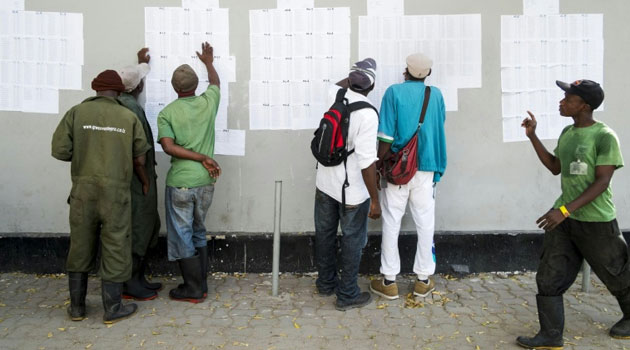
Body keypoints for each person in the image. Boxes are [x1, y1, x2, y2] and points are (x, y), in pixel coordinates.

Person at [517, 80, 630, 349]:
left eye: (568, 98)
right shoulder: (568, 132)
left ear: (585, 106)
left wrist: (564, 210)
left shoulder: (604, 136)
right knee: (549, 276)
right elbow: (556, 167)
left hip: (597, 222)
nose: (562, 102)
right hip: (566, 220)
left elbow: (602, 181)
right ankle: (550, 335)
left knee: (617, 274)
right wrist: (533, 136)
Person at [51, 70, 151, 324]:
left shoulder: (76, 113)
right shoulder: (128, 116)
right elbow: (140, 157)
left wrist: (86, 155)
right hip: (116, 193)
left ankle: (76, 308)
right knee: (116, 244)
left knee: (80, 245)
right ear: (118, 92)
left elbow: (60, 150)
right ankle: (113, 308)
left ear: (95, 89)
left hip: (83, 191)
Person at [370, 53, 447, 300]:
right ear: (428, 74)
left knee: (392, 221)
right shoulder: (436, 95)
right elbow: (439, 124)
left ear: (406, 70)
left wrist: (379, 164)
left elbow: (386, 136)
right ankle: (423, 280)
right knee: (425, 222)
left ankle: (389, 281)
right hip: (427, 166)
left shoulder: (393, 93)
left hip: (399, 170)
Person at [314, 58, 381, 311]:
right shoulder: (368, 114)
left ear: (351, 80)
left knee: (325, 235)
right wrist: (374, 200)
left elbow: (336, 84)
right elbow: (366, 162)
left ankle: (325, 283)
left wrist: (354, 75)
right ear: (372, 87)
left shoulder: (336, 95)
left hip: (325, 183)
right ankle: (347, 294)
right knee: (353, 240)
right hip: (351, 192)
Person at [157, 42, 221, 303]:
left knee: (182, 234)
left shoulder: (167, 113)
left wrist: (199, 157)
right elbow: (215, 83)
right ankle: (201, 283)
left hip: (180, 183)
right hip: (205, 182)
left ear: (175, 88)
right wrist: (208, 62)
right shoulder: (209, 102)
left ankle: (192, 289)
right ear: (196, 86)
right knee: (198, 230)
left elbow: (169, 147)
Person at [117, 48, 162, 301]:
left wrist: (140, 65)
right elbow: (138, 154)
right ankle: (131, 283)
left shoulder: (123, 103)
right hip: (138, 179)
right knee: (140, 227)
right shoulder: (131, 109)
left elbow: (132, 79)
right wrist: (145, 182)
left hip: (134, 178)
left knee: (145, 225)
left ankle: (138, 278)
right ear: (138, 87)